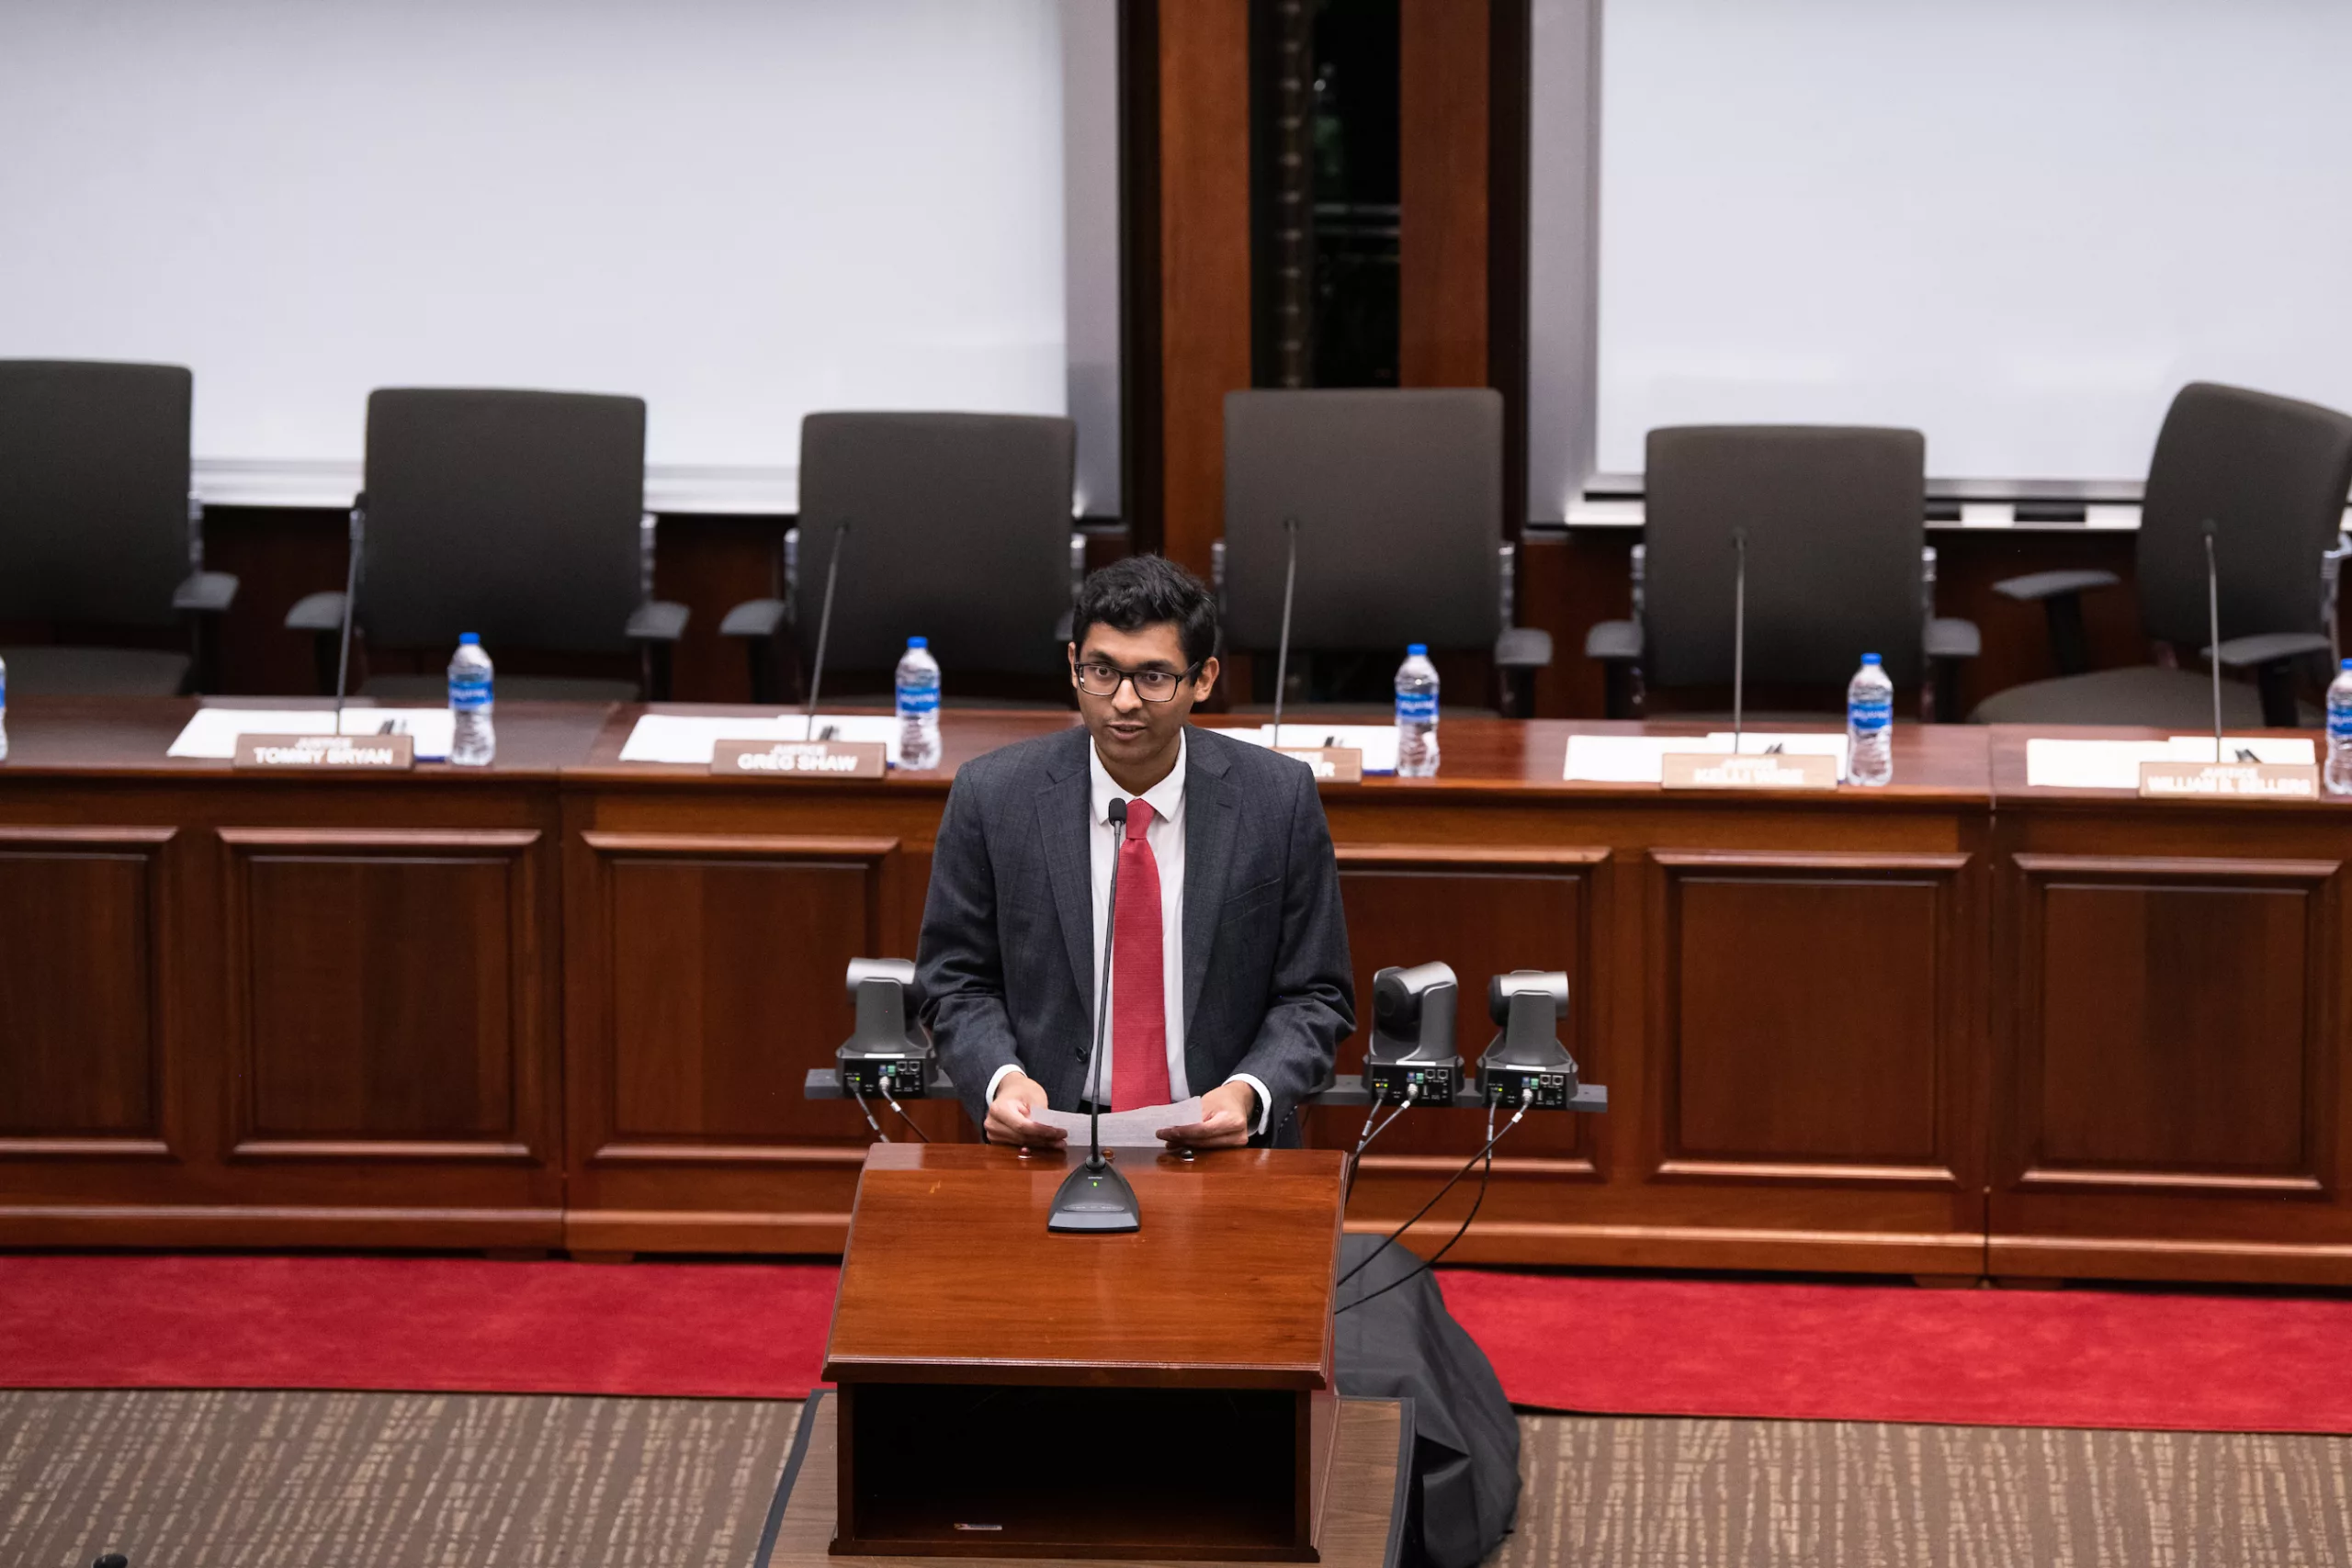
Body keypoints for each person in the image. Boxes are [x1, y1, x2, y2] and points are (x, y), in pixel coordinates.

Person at [916, 553, 1352, 1148]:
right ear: (1073, 665)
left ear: (1203, 678)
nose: (1123, 701)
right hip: (1044, 1141)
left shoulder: (1277, 799)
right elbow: (953, 980)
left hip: (1224, 1143)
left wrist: (1250, 1089)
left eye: (1153, 676)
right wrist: (1002, 1078)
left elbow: (1317, 992)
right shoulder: (992, 797)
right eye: (1102, 670)